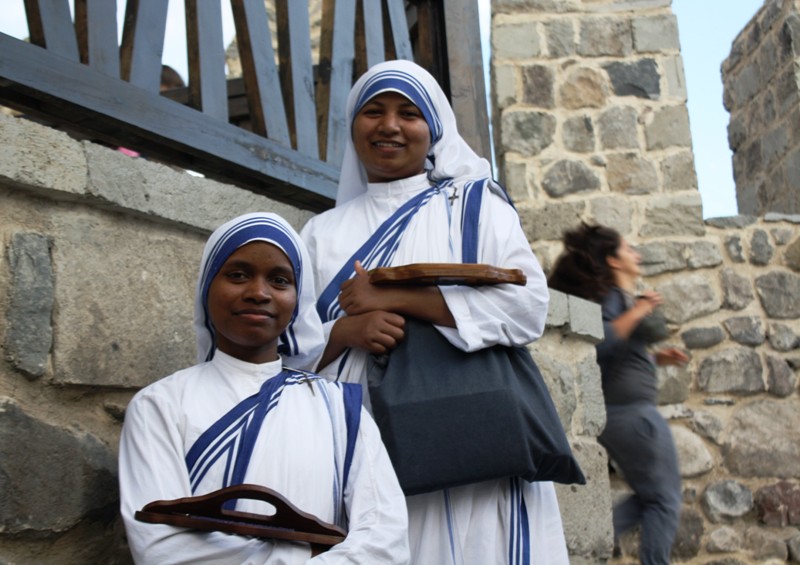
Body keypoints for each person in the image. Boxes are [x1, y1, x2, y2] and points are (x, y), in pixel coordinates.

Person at [301, 60, 569, 564]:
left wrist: (394, 296)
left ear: (435, 128)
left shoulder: (474, 205)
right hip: (370, 447)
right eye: (373, 112)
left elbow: (527, 307)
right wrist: (344, 331)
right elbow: (288, 349)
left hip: (478, 442)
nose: (390, 126)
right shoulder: (319, 234)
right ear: (352, 125)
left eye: (409, 113)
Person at [118, 212, 410, 564]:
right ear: (207, 287)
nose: (258, 292)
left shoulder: (340, 408)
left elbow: (385, 540)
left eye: (279, 280)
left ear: (297, 300)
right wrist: (306, 554)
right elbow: (160, 548)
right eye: (238, 275)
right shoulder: (159, 406)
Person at [548, 222, 688, 565]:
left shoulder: (619, 298)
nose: (636, 255)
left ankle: (574, 549)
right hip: (633, 415)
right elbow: (604, 341)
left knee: (650, 497)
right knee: (664, 501)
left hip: (629, 413)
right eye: (628, 249)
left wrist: (655, 358)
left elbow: (621, 354)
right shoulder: (615, 298)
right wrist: (640, 309)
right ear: (613, 260)